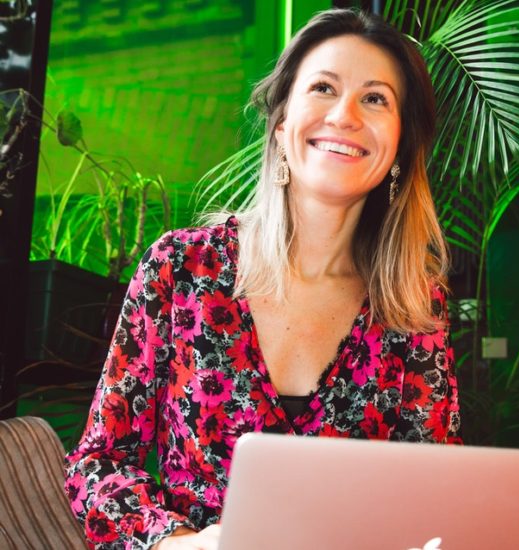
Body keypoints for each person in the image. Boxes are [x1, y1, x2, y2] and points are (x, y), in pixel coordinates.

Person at [64, 8, 462, 549]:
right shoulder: (180, 269)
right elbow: (97, 467)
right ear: (280, 126)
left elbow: (435, 493)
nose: (344, 115)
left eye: (375, 98)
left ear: (398, 144)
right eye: (323, 87)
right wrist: (176, 542)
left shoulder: (415, 306)